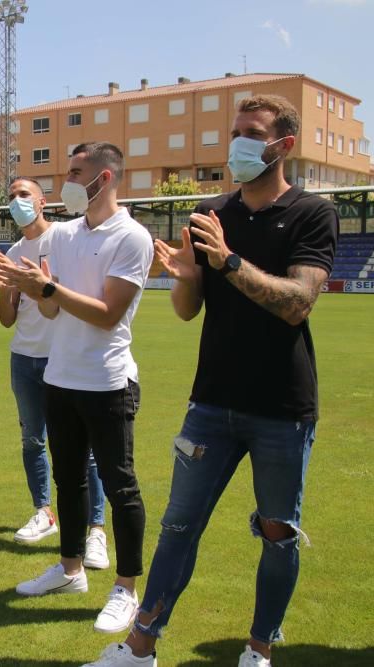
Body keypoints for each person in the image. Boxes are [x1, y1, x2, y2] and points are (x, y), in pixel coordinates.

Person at [83, 96, 337, 667]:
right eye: (236, 132)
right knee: (177, 525)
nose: (239, 144)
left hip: (282, 408)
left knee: (277, 533)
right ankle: (141, 646)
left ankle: (258, 648)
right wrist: (187, 275)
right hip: (211, 403)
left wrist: (225, 261)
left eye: (253, 133)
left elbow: (298, 303)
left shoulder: (311, 214)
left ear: (283, 146)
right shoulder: (211, 211)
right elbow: (188, 309)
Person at [0, 142, 152, 634]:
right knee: (69, 481)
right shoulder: (62, 235)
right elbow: (55, 310)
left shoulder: (133, 237)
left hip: (106, 380)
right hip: (59, 377)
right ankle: (69, 571)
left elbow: (107, 316)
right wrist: (28, 289)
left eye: (76, 172)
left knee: (120, 486)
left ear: (105, 177)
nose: (68, 181)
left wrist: (47, 290)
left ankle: (125, 588)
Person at [0, 177, 110, 569]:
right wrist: (7, 287)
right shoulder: (13, 249)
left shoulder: (62, 238)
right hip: (24, 358)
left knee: (85, 452)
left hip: (63, 359)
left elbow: (56, 305)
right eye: (11, 197)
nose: (16, 202)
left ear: (42, 202)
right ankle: (44, 511)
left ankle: (96, 530)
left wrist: (40, 285)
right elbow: (6, 320)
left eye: (23, 195)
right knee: (31, 441)